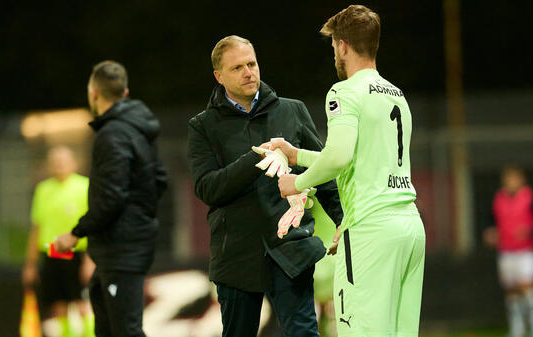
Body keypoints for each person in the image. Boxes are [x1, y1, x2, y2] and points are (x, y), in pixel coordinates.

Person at [270, 5, 426, 336]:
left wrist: (296, 181)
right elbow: (355, 157)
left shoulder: (344, 92)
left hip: (371, 232)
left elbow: (338, 156)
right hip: (410, 227)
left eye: (333, 48)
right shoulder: (396, 95)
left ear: (342, 45)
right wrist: (296, 153)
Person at [187, 35, 343, 337]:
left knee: (303, 332)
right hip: (235, 255)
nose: (248, 72)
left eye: (252, 63)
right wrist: (253, 160)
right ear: (219, 76)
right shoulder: (203, 126)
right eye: (237, 68)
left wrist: (343, 220)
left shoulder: (292, 110)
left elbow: (322, 173)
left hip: (291, 249)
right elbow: (207, 188)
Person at [55, 60, 167, 337]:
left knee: (126, 331)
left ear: (93, 94)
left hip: (122, 249)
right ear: (125, 93)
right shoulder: (139, 131)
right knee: (106, 326)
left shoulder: (113, 134)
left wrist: (75, 233)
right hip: (122, 247)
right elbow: (160, 180)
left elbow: (111, 197)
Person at [22, 146, 95, 337]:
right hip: (53, 252)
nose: (59, 165)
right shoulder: (43, 189)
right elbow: (37, 227)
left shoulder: (85, 186)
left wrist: (89, 259)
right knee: (59, 305)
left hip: (78, 253)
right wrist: (30, 264)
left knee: (83, 304)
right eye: (55, 162)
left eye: (63, 161)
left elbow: (94, 224)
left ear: (74, 163)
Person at [483, 166, 533, 337]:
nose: (509, 182)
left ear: (521, 179)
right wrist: (490, 232)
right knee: (511, 293)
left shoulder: (529, 197)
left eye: (513, 178)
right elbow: (491, 221)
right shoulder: (499, 198)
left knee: (527, 290)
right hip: (505, 251)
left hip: (525, 251)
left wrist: (529, 231)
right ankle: (516, 330)